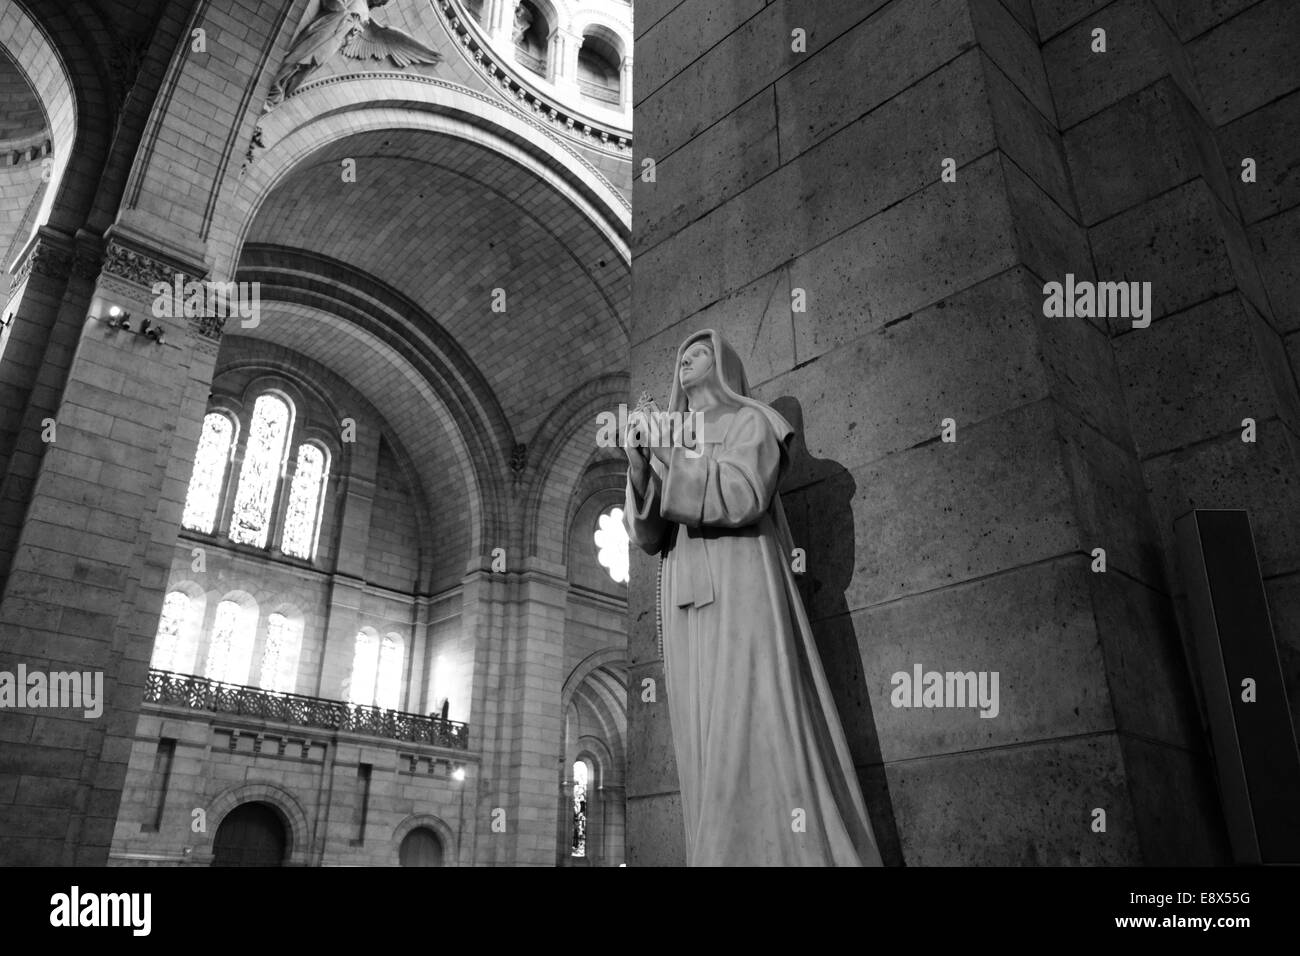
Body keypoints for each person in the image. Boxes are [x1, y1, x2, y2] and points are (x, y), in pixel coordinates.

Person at [623, 329, 882, 866]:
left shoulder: (753, 421)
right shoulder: (678, 433)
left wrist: (670, 450)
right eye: (680, 356)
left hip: (741, 582)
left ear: (724, 364)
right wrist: (640, 465)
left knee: (751, 715)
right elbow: (648, 537)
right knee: (702, 737)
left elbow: (743, 494)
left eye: (698, 353)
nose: (685, 361)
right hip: (685, 594)